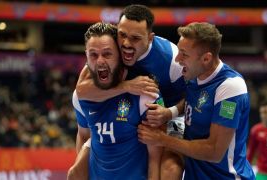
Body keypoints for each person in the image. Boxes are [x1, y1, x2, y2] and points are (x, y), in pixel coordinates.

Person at [71, 4, 187, 180]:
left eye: (135, 38)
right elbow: (81, 90)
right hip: (128, 109)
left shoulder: (172, 59)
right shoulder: (110, 48)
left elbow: (194, 96)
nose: (126, 43)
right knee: (75, 172)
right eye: (123, 34)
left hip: (172, 116)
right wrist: (127, 86)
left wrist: (170, 112)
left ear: (150, 38)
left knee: (170, 170)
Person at [138, 22, 256, 179]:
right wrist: (170, 112)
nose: (178, 59)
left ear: (206, 59)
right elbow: (191, 100)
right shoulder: (194, 76)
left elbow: (214, 151)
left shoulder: (230, 88)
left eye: (184, 54)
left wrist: (162, 140)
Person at [247, 101, 267, 179]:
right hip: (263, 173)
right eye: (261, 113)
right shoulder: (256, 130)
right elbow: (250, 152)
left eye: (265, 112)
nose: (262, 115)